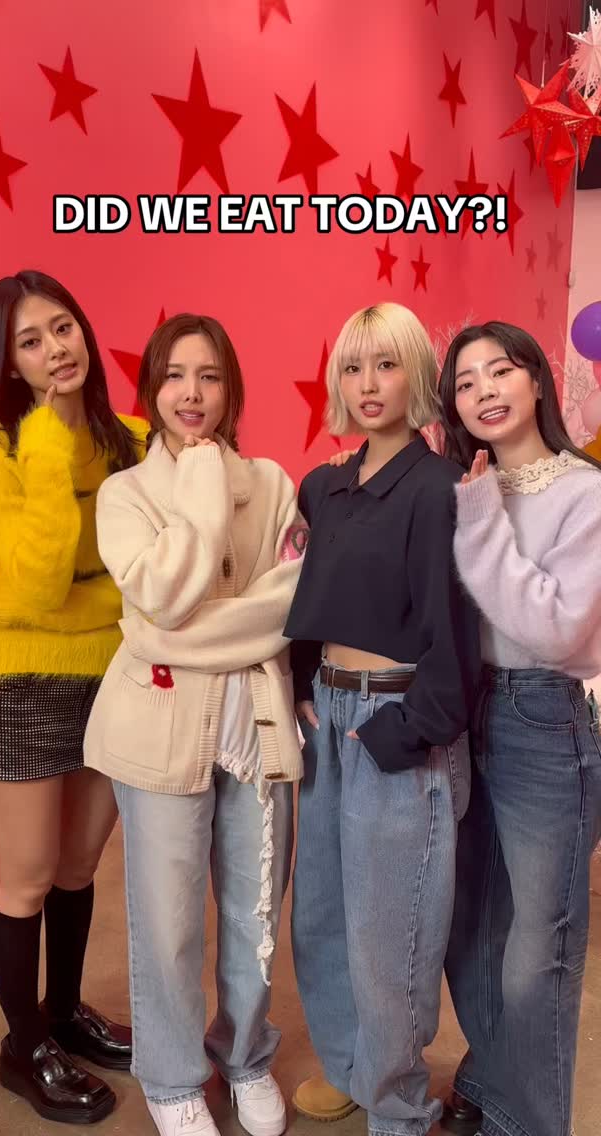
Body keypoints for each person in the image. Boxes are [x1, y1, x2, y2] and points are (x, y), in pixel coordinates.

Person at [84, 313, 307, 1136]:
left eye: (209, 375)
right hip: (157, 732)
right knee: (168, 920)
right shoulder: (126, 494)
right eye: (175, 375)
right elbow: (164, 599)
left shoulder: (275, 485)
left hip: (257, 727)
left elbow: (288, 606)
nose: (192, 392)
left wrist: (176, 633)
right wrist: (203, 491)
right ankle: (174, 1077)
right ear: (151, 388)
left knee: (255, 913)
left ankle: (245, 1055)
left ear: (230, 389)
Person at [284, 301, 482, 1136]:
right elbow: (303, 595)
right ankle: (350, 1070)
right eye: (354, 366)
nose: (369, 384)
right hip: (327, 720)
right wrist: (303, 687)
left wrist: (406, 731)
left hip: (397, 719)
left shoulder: (439, 491)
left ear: (418, 376)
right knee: (322, 916)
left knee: (390, 932)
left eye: (387, 364)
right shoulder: (323, 485)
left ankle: (398, 1106)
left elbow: (455, 633)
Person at [0, 270, 148, 1125]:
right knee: (29, 874)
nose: (55, 349)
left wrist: (97, 602)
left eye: (62, 327)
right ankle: (24, 1045)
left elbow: (152, 570)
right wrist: (44, 435)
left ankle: (65, 1012)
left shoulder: (134, 439)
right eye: (29, 342)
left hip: (114, 673)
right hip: (25, 677)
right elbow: (37, 582)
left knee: (79, 867)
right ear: (8, 364)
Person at [437, 321, 601, 1136]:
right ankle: (493, 1079)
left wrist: (477, 521)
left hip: (544, 716)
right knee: (469, 926)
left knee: (540, 948)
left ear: (537, 379)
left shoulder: (584, 491)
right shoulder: (466, 486)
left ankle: (530, 1122)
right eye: (466, 383)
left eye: (500, 371)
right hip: (465, 711)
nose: (485, 391)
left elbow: (555, 628)